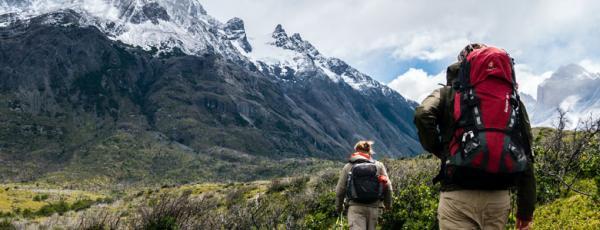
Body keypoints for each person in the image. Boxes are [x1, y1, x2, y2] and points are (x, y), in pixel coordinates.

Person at [414, 43, 536, 230]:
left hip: (458, 194)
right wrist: (526, 210)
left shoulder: (448, 93)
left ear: (463, 65)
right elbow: (526, 150)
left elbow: (423, 114)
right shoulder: (511, 99)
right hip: (498, 198)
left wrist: (440, 151)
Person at [335, 141, 393, 230]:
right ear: (369, 151)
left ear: (357, 151)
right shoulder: (378, 165)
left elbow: (340, 190)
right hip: (374, 208)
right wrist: (388, 205)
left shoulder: (348, 166)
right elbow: (388, 187)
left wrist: (339, 208)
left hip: (355, 208)